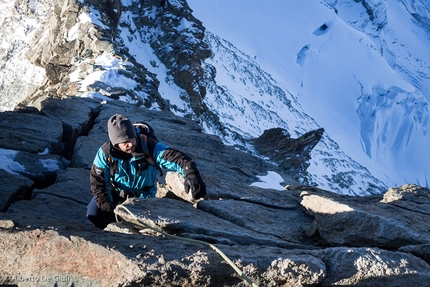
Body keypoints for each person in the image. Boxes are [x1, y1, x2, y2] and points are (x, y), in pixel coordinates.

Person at [87, 114, 206, 228]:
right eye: (125, 142)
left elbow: (175, 157)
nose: (131, 143)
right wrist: (109, 208)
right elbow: (98, 182)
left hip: (143, 198)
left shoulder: (148, 145)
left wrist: (191, 173)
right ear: (116, 143)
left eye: (132, 138)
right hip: (116, 193)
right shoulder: (105, 153)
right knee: (94, 215)